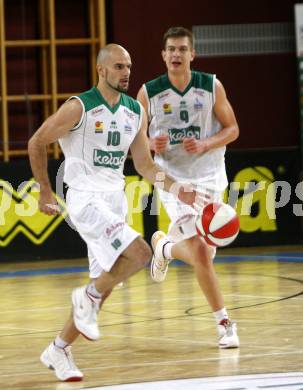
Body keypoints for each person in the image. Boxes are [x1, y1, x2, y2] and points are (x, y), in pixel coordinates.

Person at [28, 44, 199, 382]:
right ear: (101, 70)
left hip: (114, 199)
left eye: (129, 66)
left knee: (103, 288)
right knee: (140, 253)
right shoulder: (79, 107)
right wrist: (45, 191)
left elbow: (146, 166)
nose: (126, 72)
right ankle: (86, 296)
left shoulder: (135, 110)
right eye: (119, 66)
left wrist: (178, 188)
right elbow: (37, 141)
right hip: (85, 198)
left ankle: (59, 349)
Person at [137, 27, 240, 349]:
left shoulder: (211, 85)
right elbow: (135, 147)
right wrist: (150, 142)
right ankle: (224, 323)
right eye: (171, 49)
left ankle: (164, 247)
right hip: (171, 179)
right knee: (199, 252)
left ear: (192, 54)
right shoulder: (148, 93)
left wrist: (208, 142)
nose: (177, 54)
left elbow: (233, 129)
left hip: (209, 175)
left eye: (182, 49)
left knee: (206, 251)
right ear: (163, 55)